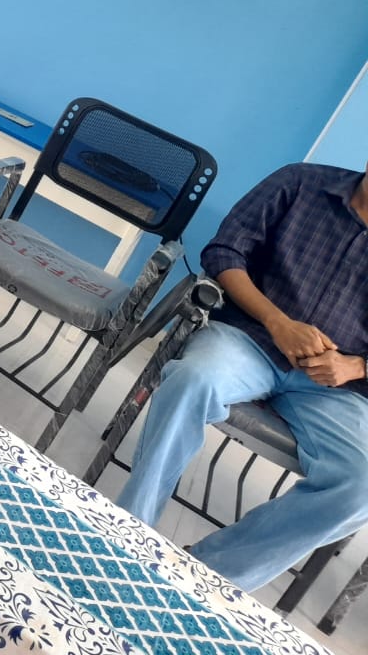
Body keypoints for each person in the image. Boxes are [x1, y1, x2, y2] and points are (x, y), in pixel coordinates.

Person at [116, 160, 368, 590]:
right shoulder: (300, 182)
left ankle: (207, 575)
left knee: (361, 484)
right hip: (250, 339)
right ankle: (126, 535)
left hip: (335, 386)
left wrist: (355, 366)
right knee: (191, 380)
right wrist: (278, 322)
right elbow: (224, 252)